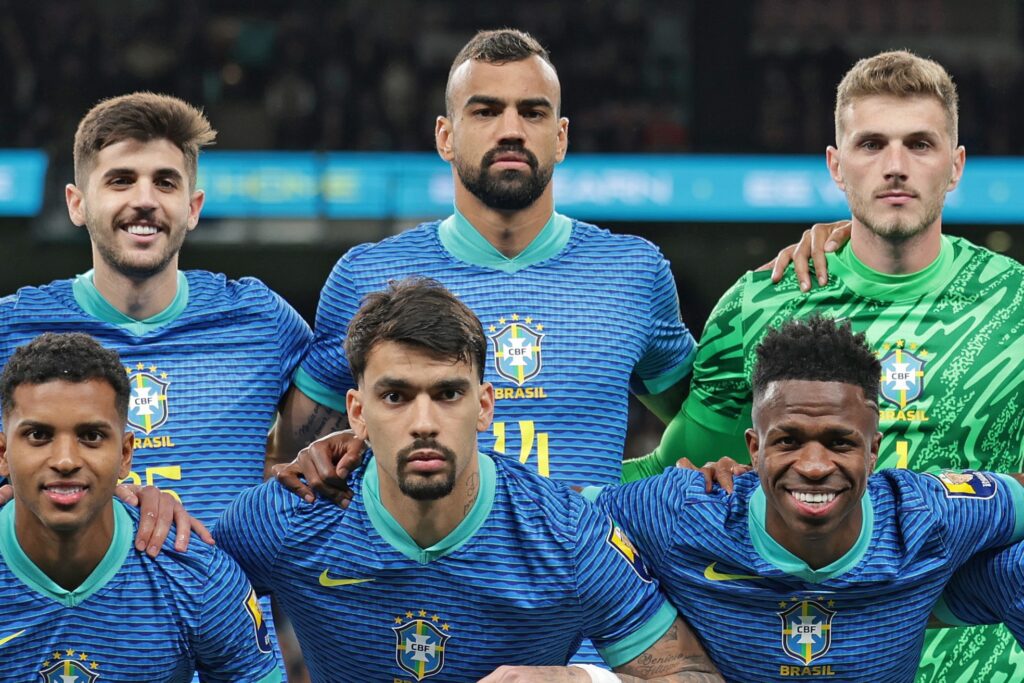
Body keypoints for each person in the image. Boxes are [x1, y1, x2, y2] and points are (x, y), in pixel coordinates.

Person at [622, 50, 1024, 682]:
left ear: (956, 165)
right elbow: (673, 474)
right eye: (871, 145)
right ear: (837, 165)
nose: (895, 167)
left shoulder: (1017, 303)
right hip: (799, 655)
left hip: (985, 665)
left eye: (920, 144)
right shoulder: (760, 304)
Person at [216, 278, 722, 682]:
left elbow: (691, 674)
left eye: (448, 394)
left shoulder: (567, 536)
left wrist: (585, 680)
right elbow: (173, 597)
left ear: (483, 407)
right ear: (357, 413)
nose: (424, 422)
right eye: (395, 396)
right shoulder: (285, 517)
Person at [271, 28, 698, 488]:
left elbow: (705, 425)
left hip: (581, 559)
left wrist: (641, 483)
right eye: (486, 111)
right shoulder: (367, 276)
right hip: (424, 563)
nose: (511, 130)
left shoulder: (632, 272)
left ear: (560, 137)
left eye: (532, 112)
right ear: (445, 136)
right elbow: (295, 460)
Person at [0, 92, 310, 676]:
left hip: (235, 657)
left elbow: (323, 442)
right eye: (120, 180)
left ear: (192, 206)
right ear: (77, 202)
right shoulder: (11, 328)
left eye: (165, 183)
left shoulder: (261, 323)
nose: (144, 201)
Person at [587, 316, 1024, 682]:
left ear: (874, 451)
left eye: (839, 443)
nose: (814, 466)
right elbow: (548, 513)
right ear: (754, 449)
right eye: (788, 441)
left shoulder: (928, 516)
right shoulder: (684, 510)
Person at [0, 332, 280, 682]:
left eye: (91, 436)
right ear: (3, 453)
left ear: (125, 455)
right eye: (39, 436)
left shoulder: (199, 578)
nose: (66, 460)